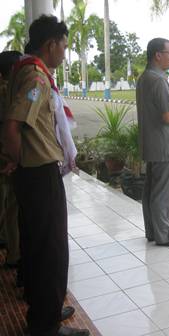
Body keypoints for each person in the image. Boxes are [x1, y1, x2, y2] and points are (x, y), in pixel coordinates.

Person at [1, 15, 88, 336]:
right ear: (51, 45)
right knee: (50, 249)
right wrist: (17, 160)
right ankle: (45, 325)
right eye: (64, 45)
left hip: (32, 174)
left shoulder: (23, 71)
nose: (65, 52)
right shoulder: (36, 79)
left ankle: (44, 310)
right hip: (38, 174)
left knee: (37, 245)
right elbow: (13, 124)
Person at [136, 37, 169, 248]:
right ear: (158, 55)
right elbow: (168, 117)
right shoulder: (158, 80)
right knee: (163, 193)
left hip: (152, 144)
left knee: (151, 190)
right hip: (165, 146)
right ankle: (165, 235)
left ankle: (153, 231)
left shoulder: (144, 78)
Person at [0, 51, 22, 270]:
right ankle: (15, 253)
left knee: (9, 203)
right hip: (8, 156)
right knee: (14, 206)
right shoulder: (7, 93)